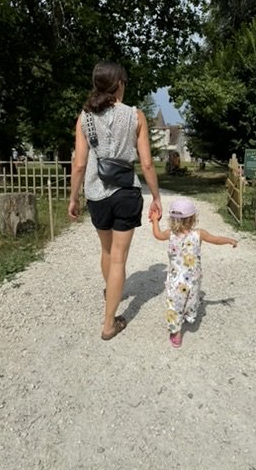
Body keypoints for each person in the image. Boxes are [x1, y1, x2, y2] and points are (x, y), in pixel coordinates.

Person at [68, 60, 162, 341]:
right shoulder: (136, 116)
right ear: (118, 83)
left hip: (96, 194)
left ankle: (111, 292)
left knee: (107, 252)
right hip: (125, 194)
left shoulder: (84, 118)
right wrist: (156, 196)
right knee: (120, 258)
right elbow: (146, 164)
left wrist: (73, 197)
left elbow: (80, 165)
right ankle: (109, 323)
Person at [150, 198, 237, 348]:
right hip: (193, 279)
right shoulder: (199, 234)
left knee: (174, 305)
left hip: (175, 280)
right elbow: (215, 240)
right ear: (193, 218)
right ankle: (189, 316)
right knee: (191, 300)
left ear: (172, 219)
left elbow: (157, 235)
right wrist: (229, 240)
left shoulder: (170, 234)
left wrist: (154, 220)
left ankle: (176, 332)